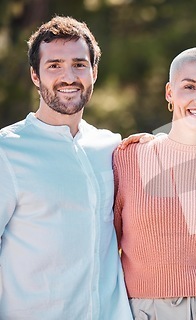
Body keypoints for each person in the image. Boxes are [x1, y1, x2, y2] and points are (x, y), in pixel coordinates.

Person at [0, 16, 132, 319]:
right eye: (54, 65)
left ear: (94, 72)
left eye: (79, 64)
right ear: (35, 76)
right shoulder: (7, 150)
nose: (68, 76)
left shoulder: (111, 147)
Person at [113, 47, 196, 319]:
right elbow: (105, 242)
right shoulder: (129, 157)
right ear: (169, 93)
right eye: (189, 86)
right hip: (147, 308)